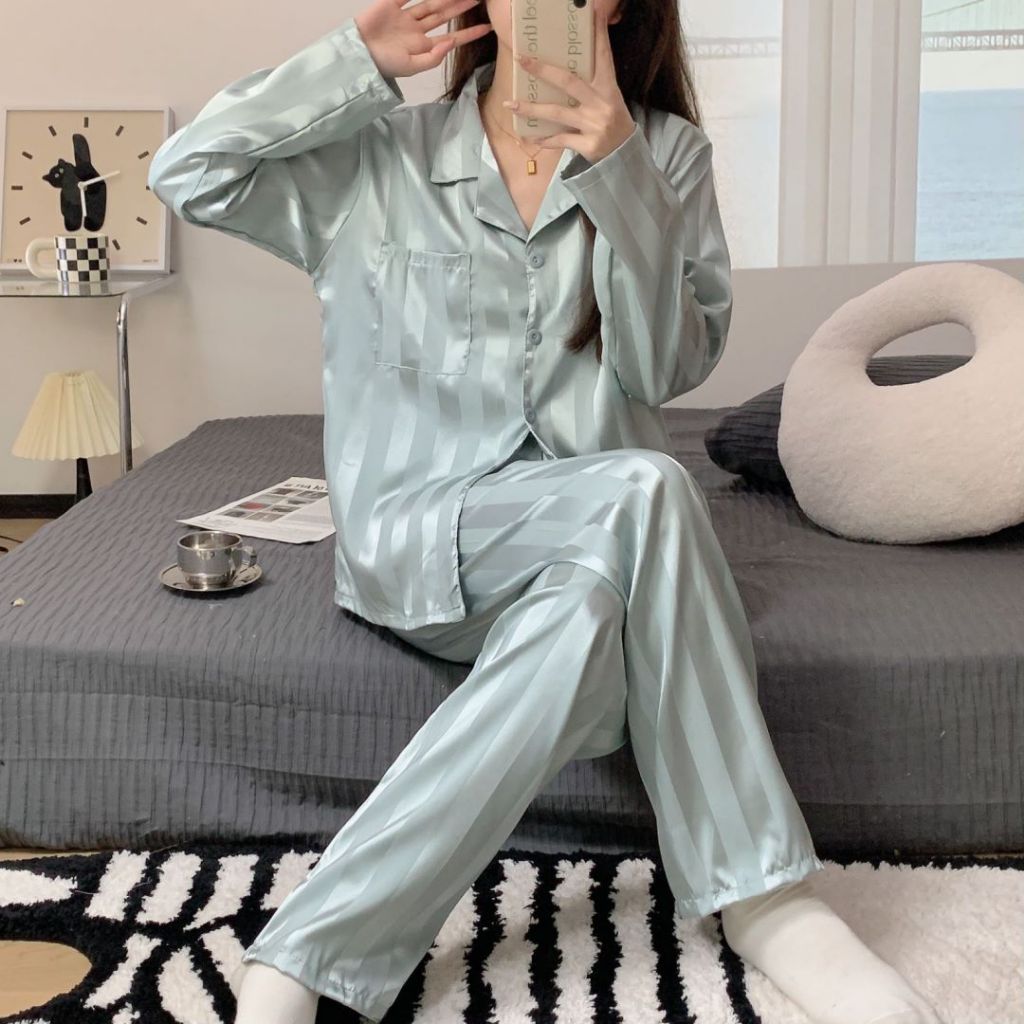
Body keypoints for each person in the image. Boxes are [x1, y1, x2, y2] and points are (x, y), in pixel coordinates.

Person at [148, 1, 943, 1022]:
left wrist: (619, 175)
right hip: (423, 536)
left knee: (589, 606)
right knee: (648, 485)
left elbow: (664, 367)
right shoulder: (381, 156)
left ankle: (305, 956)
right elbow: (190, 172)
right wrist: (357, 59)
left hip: (601, 551)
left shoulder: (666, 155)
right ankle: (764, 897)